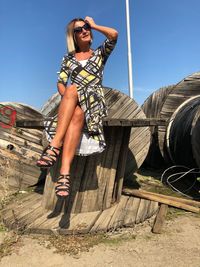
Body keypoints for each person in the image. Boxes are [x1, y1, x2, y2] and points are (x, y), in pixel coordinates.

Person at [36, 16, 118, 198]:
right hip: (75, 104)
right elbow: (60, 83)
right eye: (79, 29)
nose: (84, 30)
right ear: (73, 36)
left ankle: (54, 146)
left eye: (86, 27)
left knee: (72, 89)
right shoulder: (68, 59)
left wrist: (95, 24)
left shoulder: (99, 54)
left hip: (94, 101)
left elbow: (113, 35)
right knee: (76, 111)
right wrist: (68, 97)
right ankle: (65, 175)